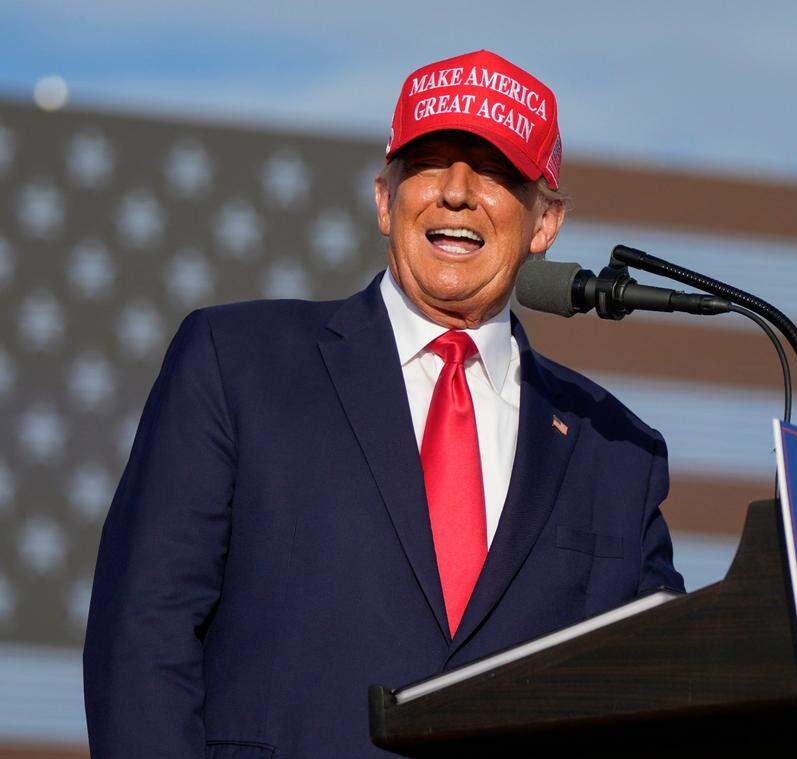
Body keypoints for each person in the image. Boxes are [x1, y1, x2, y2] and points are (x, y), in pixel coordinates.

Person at [83, 49, 684, 758]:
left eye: (493, 170)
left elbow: (666, 693)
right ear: (383, 199)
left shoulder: (614, 449)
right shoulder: (235, 362)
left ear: (544, 223)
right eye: (429, 162)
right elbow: (142, 635)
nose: (456, 190)